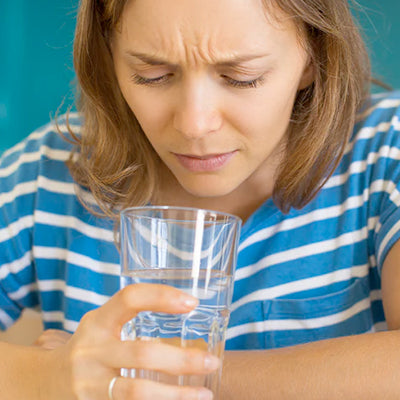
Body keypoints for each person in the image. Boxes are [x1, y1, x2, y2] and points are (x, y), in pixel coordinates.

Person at [1, 0, 400, 398]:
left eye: (242, 77)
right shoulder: (45, 174)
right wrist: (45, 375)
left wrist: (145, 376)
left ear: (314, 56)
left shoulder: (385, 152)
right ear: (107, 57)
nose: (194, 124)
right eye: (152, 75)